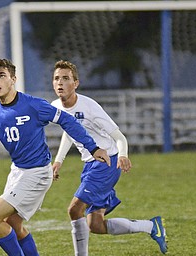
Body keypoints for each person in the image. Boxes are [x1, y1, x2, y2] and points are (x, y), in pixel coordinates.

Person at [0, 58, 110, 256]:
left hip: (37, 173)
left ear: (13, 79)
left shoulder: (33, 105)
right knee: (13, 225)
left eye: (1, 76)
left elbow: (67, 120)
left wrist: (93, 148)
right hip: (17, 171)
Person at [51, 60, 168, 255]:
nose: (60, 82)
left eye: (65, 78)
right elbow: (68, 132)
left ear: (76, 83)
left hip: (106, 163)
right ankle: (151, 227)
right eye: (56, 79)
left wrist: (123, 155)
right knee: (95, 225)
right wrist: (58, 161)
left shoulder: (90, 107)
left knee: (74, 209)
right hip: (90, 165)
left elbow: (119, 137)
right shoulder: (57, 106)